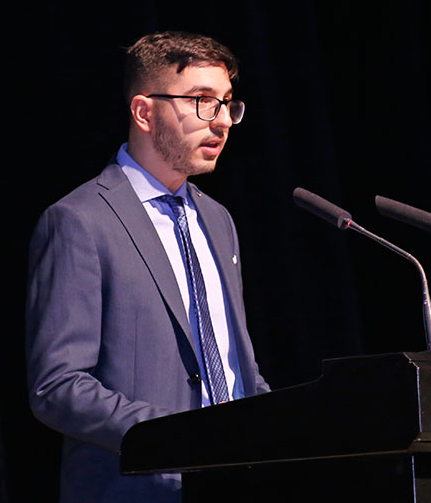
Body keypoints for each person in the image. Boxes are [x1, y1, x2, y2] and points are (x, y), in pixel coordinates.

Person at [26, 31, 269, 502]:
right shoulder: (80, 220)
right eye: (202, 101)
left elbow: (235, 369)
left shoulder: (218, 219)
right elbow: (58, 386)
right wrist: (181, 436)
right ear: (144, 112)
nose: (222, 121)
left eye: (226, 104)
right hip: (142, 488)